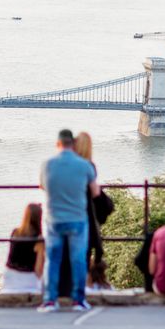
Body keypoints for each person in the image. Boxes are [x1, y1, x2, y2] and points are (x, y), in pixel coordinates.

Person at [37, 129, 100, 313]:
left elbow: (42, 185)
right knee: (78, 260)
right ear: (73, 144)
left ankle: (50, 301)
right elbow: (95, 192)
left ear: (58, 144)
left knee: (52, 260)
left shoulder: (47, 164)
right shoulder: (84, 165)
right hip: (78, 218)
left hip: (54, 219)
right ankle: (78, 301)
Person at [74, 131, 109, 291]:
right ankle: (83, 290)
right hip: (85, 215)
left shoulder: (70, 165)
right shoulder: (89, 166)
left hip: (67, 214)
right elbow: (94, 192)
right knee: (84, 253)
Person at [1, 203, 45, 293]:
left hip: (10, 275)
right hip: (28, 278)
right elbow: (38, 270)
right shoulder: (39, 239)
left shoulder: (15, 232)